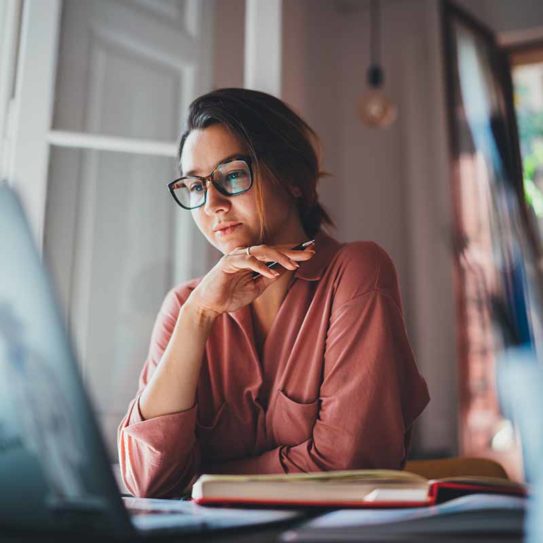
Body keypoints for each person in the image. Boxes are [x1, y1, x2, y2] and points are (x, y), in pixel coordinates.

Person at [118, 88, 430, 498]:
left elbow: (349, 468)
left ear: (293, 179)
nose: (211, 203)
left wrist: (200, 479)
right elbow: (146, 481)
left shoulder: (355, 273)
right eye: (195, 187)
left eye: (231, 175)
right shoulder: (185, 306)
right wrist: (197, 318)